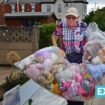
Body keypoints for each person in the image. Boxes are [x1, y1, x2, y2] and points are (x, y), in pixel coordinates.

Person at [52, 7, 87, 105]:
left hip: (81, 57)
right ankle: (70, 101)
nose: (71, 19)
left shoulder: (84, 26)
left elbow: (91, 37)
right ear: (66, 18)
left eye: (73, 17)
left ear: (78, 18)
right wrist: (56, 47)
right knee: (68, 81)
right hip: (68, 57)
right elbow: (54, 35)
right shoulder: (62, 25)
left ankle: (80, 102)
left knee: (79, 82)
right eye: (68, 17)